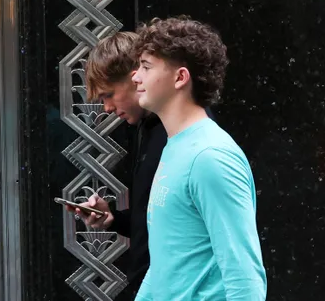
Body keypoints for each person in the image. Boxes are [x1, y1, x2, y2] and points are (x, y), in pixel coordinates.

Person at [131, 17, 265, 300]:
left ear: (180, 78)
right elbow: (166, 263)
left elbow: (244, 276)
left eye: (146, 67)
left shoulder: (210, 157)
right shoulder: (175, 146)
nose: (135, 77)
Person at [63, 31, 164, 298]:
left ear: (137, 77)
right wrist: (114, 218)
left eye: (109, 94)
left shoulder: (183, 136)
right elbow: (160, 221)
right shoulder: (149, 129)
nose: (106, 108)